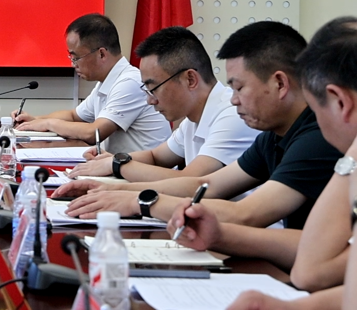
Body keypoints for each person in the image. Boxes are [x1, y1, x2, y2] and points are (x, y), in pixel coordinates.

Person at [55, 21, 341, 232]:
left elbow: (246, 214)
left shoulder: (315, 138)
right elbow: (206, 186)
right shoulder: (273, 135)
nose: (234, 99)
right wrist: (110, 190)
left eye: (240, 88)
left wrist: (139, 199)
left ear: (279, 83)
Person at [171, 17, 357, 309]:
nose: (233, 100)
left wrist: (351, 158)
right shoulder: (275, 134)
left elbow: (311, 270)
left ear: (341, 103)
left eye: (316, 106)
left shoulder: (322, 143)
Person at [68, 26, 259, 181]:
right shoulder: (193, 119)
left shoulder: (232, 114)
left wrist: (117, 166)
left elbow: (190, 181)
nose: (150, 100)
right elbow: (156, 157)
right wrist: (113, 159)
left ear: (190, 79)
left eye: (154, 88)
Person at [14, 13, 170, 153]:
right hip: (121, 168)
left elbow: (94, 133)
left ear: (101, 54)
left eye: (76, 57)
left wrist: (48, 124)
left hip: (147, 172)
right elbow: (74, 116)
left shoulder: (129, 82)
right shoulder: (107, 82)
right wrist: (34, 120)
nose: (73, 64)